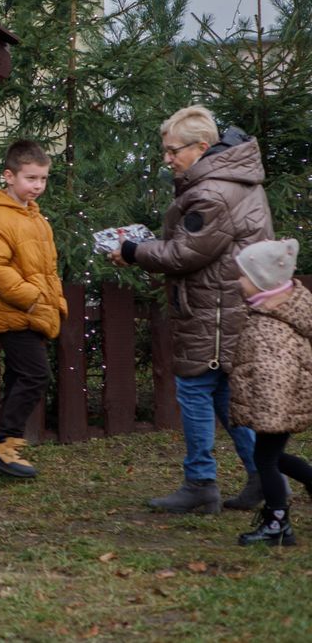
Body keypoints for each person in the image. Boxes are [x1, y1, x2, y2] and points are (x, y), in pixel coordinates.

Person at [110, 106, 270, 513]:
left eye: (172, 150)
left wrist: (132, 250)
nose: (167, 158)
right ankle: (262, 476)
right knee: (223, 397)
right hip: (226, 306)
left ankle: (201, 484)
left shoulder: (211, 191)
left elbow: (185, 253)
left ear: (201, 147)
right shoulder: (233, 179)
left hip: (213, 311)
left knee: (195, 390)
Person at [0, 140, 67, 479]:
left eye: (43, 179)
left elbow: (48, 267)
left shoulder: (35, 218)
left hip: (35, 311)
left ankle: (4, 445)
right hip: (13, 313)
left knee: (19, 375)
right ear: (9, 176)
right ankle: (5, 447)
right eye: (31, 178)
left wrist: (54, 302)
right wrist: (31, 298)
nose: (38, 186)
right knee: (35, 374)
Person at [228, 239, 312, 547]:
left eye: (244, 276)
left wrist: (269, 415)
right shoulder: (270, 312)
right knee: (271, 456)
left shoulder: (272, 328)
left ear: (263, 282)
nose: (239, 281)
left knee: (265, 460)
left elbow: (276, 376)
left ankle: (278, 524)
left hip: (275, 408)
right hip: (278, 406)